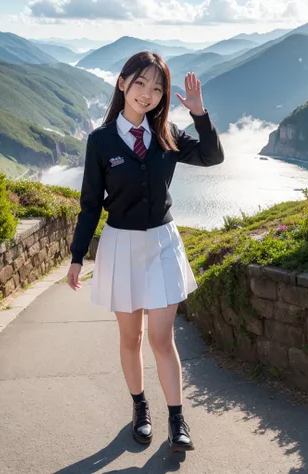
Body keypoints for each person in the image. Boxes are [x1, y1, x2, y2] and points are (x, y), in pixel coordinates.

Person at [66, 51, 224, 453]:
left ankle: (177, 418)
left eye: (157, 88)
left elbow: (211, 157)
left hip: (161, 244)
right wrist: (76, 255)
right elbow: (89, 203)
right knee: (131, 337)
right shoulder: (101, 141)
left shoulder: (167, 133)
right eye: (140, 83)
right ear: (122, 84)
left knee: (160, 336)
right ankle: (140, 408)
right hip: (120, 245)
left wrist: (200, 114)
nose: (147, 94)